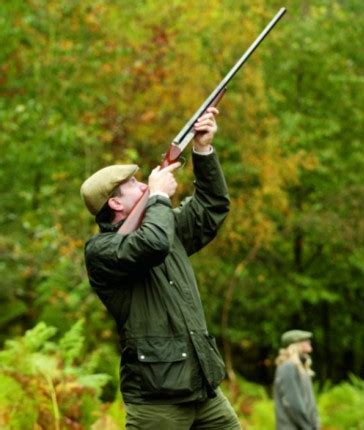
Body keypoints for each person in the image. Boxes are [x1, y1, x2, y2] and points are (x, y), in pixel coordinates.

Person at [80, 107, 241, 430]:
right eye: (135, 185)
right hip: (157, 402)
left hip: (203, 389)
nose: (144, 187)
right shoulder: (102, 251)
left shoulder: (163, 227)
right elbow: (152, 244)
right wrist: (157, 197)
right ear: (115, 203)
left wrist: (203, 150)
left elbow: (211, 209)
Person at [273, 329, 320, 430]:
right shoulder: (288, 367)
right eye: (306, 344)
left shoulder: (301, 369)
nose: (309, 349)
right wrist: (308, 427)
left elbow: (310, 404)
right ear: (294, 347)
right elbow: (293, 404)